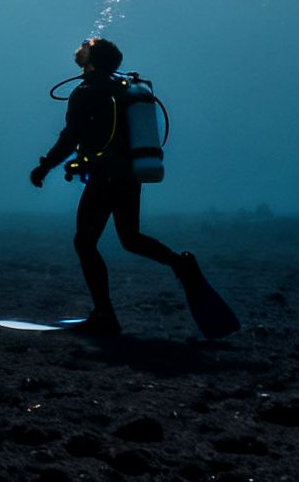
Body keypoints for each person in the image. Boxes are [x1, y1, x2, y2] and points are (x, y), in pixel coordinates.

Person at [30, 37, 216, 336]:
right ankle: (179, 264)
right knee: (130, 238)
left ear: (91, 59)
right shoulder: (123, 89)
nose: (79, 51)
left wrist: (44, 166)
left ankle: (105, 316)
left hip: (106, 177)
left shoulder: (87, 91)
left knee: (85, 242)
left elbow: (70, 137)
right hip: (130, 175)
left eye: (85, 48)